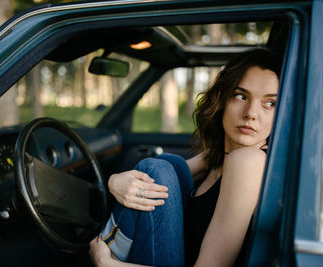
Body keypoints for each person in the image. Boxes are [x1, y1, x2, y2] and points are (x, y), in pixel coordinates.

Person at [89, 48, 281, 267]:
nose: (251, 113)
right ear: (222, 99)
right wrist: (114, 181)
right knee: (168, 165)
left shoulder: (248, 161)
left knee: (158, 169)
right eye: (241, 96)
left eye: (270, 103)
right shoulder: (219, 155)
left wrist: (108, 264)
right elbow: (157, 175)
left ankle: (105, 250)